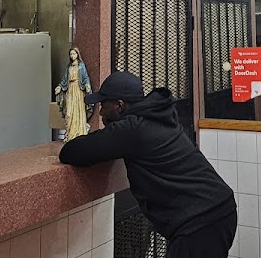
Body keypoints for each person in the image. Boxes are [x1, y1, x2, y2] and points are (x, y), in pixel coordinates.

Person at [59, 72, 236, 258]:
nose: (101, 112)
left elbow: (71, 152)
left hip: (201, 222)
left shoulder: (132, 129)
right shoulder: (157, 117)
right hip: (216, 210)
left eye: (104, 105)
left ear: (119, 106)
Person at [55, 47, 92, 141]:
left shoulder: (81, 66)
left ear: (77, 54)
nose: (72, 56)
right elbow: (65, 79)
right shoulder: (69, 67)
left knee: (78, 110)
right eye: (71, 54)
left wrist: (87, 85)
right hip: (70, 90)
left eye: (74, 54)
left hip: (78, 90)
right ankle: (70, 133)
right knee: (69, 112)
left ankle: (79, 132)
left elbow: (85, 77)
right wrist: (60, 86)